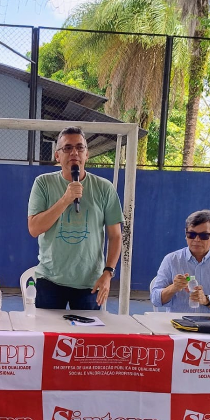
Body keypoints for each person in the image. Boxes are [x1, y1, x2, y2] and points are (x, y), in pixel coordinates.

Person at [27, 126, 123, 309]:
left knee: (88, 337)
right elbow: (34, 229)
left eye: (80, 148)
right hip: (50, 279)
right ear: (57, 155)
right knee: (49, 335)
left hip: (90, 283)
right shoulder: (43, 183)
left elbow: (115, 236)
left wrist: (108, 273)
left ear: (87, 154)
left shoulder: (104, 188)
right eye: (67, 148)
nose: (74, 152)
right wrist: (66, 199)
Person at [150, 209, 210, 315]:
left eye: (203, 236)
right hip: (178, 325)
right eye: (191, 235)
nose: (197, 239)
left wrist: (207, 300)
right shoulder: (171, 260)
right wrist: (173, 288)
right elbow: (155, 299)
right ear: (185, 234)